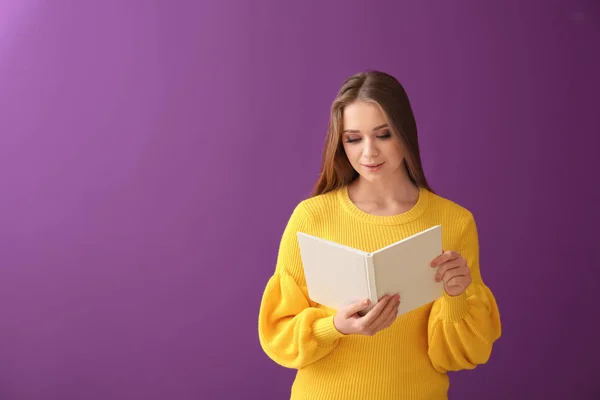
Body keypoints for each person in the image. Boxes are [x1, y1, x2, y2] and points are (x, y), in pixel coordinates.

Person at [257, 70, 501, 399]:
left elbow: (461, 355)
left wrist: (456, 296)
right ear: (340, 143)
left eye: (383, 135)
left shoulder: (453, 221)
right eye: (353, 138)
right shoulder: (311, 217)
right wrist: (336, 327)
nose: (369, 152)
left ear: (404, 133)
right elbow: (278, 333)